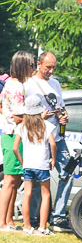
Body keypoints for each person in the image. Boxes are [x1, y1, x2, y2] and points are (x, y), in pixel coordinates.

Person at [24, 52, 71, 232]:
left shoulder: (56, 83)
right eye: (47, 67)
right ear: (38, 64)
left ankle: (58, 216)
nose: (51, 71)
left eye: (53, 68)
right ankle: (35, 218)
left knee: (68, 172)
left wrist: (64, 117)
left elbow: (61, 106)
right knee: (36, 181)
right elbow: (24, 113)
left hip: (57, 137)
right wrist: (39, 117)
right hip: (38, 140)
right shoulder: (28, 84)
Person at [12, 95, 56, 235]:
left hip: (28, 165)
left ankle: (27, 226)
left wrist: (22, 162)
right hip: (42, 165)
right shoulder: (46, 125)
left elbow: (15, 148)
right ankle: (42, 227)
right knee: (46, 194)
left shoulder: (21, 126)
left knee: (27, 194)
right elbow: (53, 144)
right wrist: (53, 159)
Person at [0, 51, 34, 231]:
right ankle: (2, 222)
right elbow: (17, 116)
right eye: (31, 65)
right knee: (9, 181)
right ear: (23, 66)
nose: (33, 69)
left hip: (13, 133)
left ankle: (10, 219)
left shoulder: (14, 84)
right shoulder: (15, 87)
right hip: (13, 134)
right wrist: (37, 118)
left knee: (16, 180)